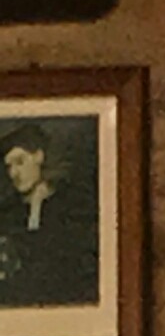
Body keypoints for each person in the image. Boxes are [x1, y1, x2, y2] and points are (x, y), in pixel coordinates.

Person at [0, 119, 99, 307]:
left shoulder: (71, 205)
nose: (14, 173)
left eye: (20, 162)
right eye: (9, 166)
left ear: (39, 156)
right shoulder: (7, 214)